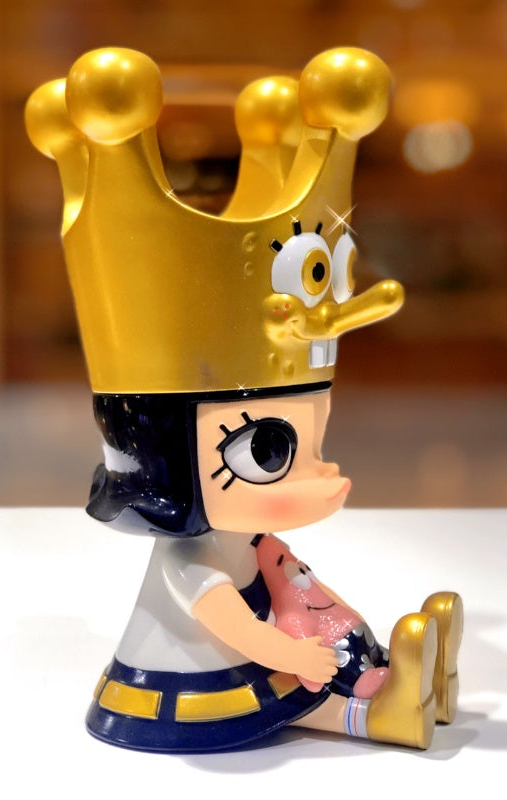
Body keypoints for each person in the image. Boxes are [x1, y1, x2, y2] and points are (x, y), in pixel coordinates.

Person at [26, 44, 463, 753]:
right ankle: (386, 712)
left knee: (302, 685)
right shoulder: (190, 562)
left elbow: (292, 590)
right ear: (165, 461)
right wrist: (292, 652)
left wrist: (337, 630)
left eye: (314, 438)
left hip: (265, 657)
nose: (319, 474)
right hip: (189, 682)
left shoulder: (249, 539)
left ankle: (399, 686)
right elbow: (228, 622)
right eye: (270, 449)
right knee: (288, 694)